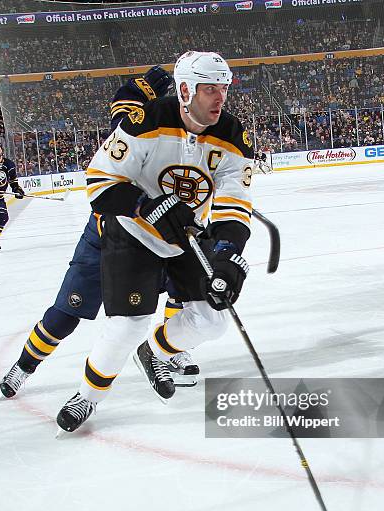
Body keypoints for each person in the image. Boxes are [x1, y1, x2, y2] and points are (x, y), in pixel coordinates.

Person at [56, 50, 254, 434]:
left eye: (223, 89)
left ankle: (156, 351)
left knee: (213, 321)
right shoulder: (147, 120)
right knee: (129, 324)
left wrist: (227, 253)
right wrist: (147, 205)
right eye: (209, 89)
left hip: (185, 236)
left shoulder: (233, 137)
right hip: (132, 233)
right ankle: (87, 396)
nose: (220, 98)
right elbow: (99, 184)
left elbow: (235, 205)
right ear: (184, 90)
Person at [0, 66, 199, 401]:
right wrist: (143, 86)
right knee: (65, 314)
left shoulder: (193, 136)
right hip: (109, 234)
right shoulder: (138, 129)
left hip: (159, 238)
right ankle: (24, 366)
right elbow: (123, 111)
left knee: (183, 291)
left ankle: (163, 353)